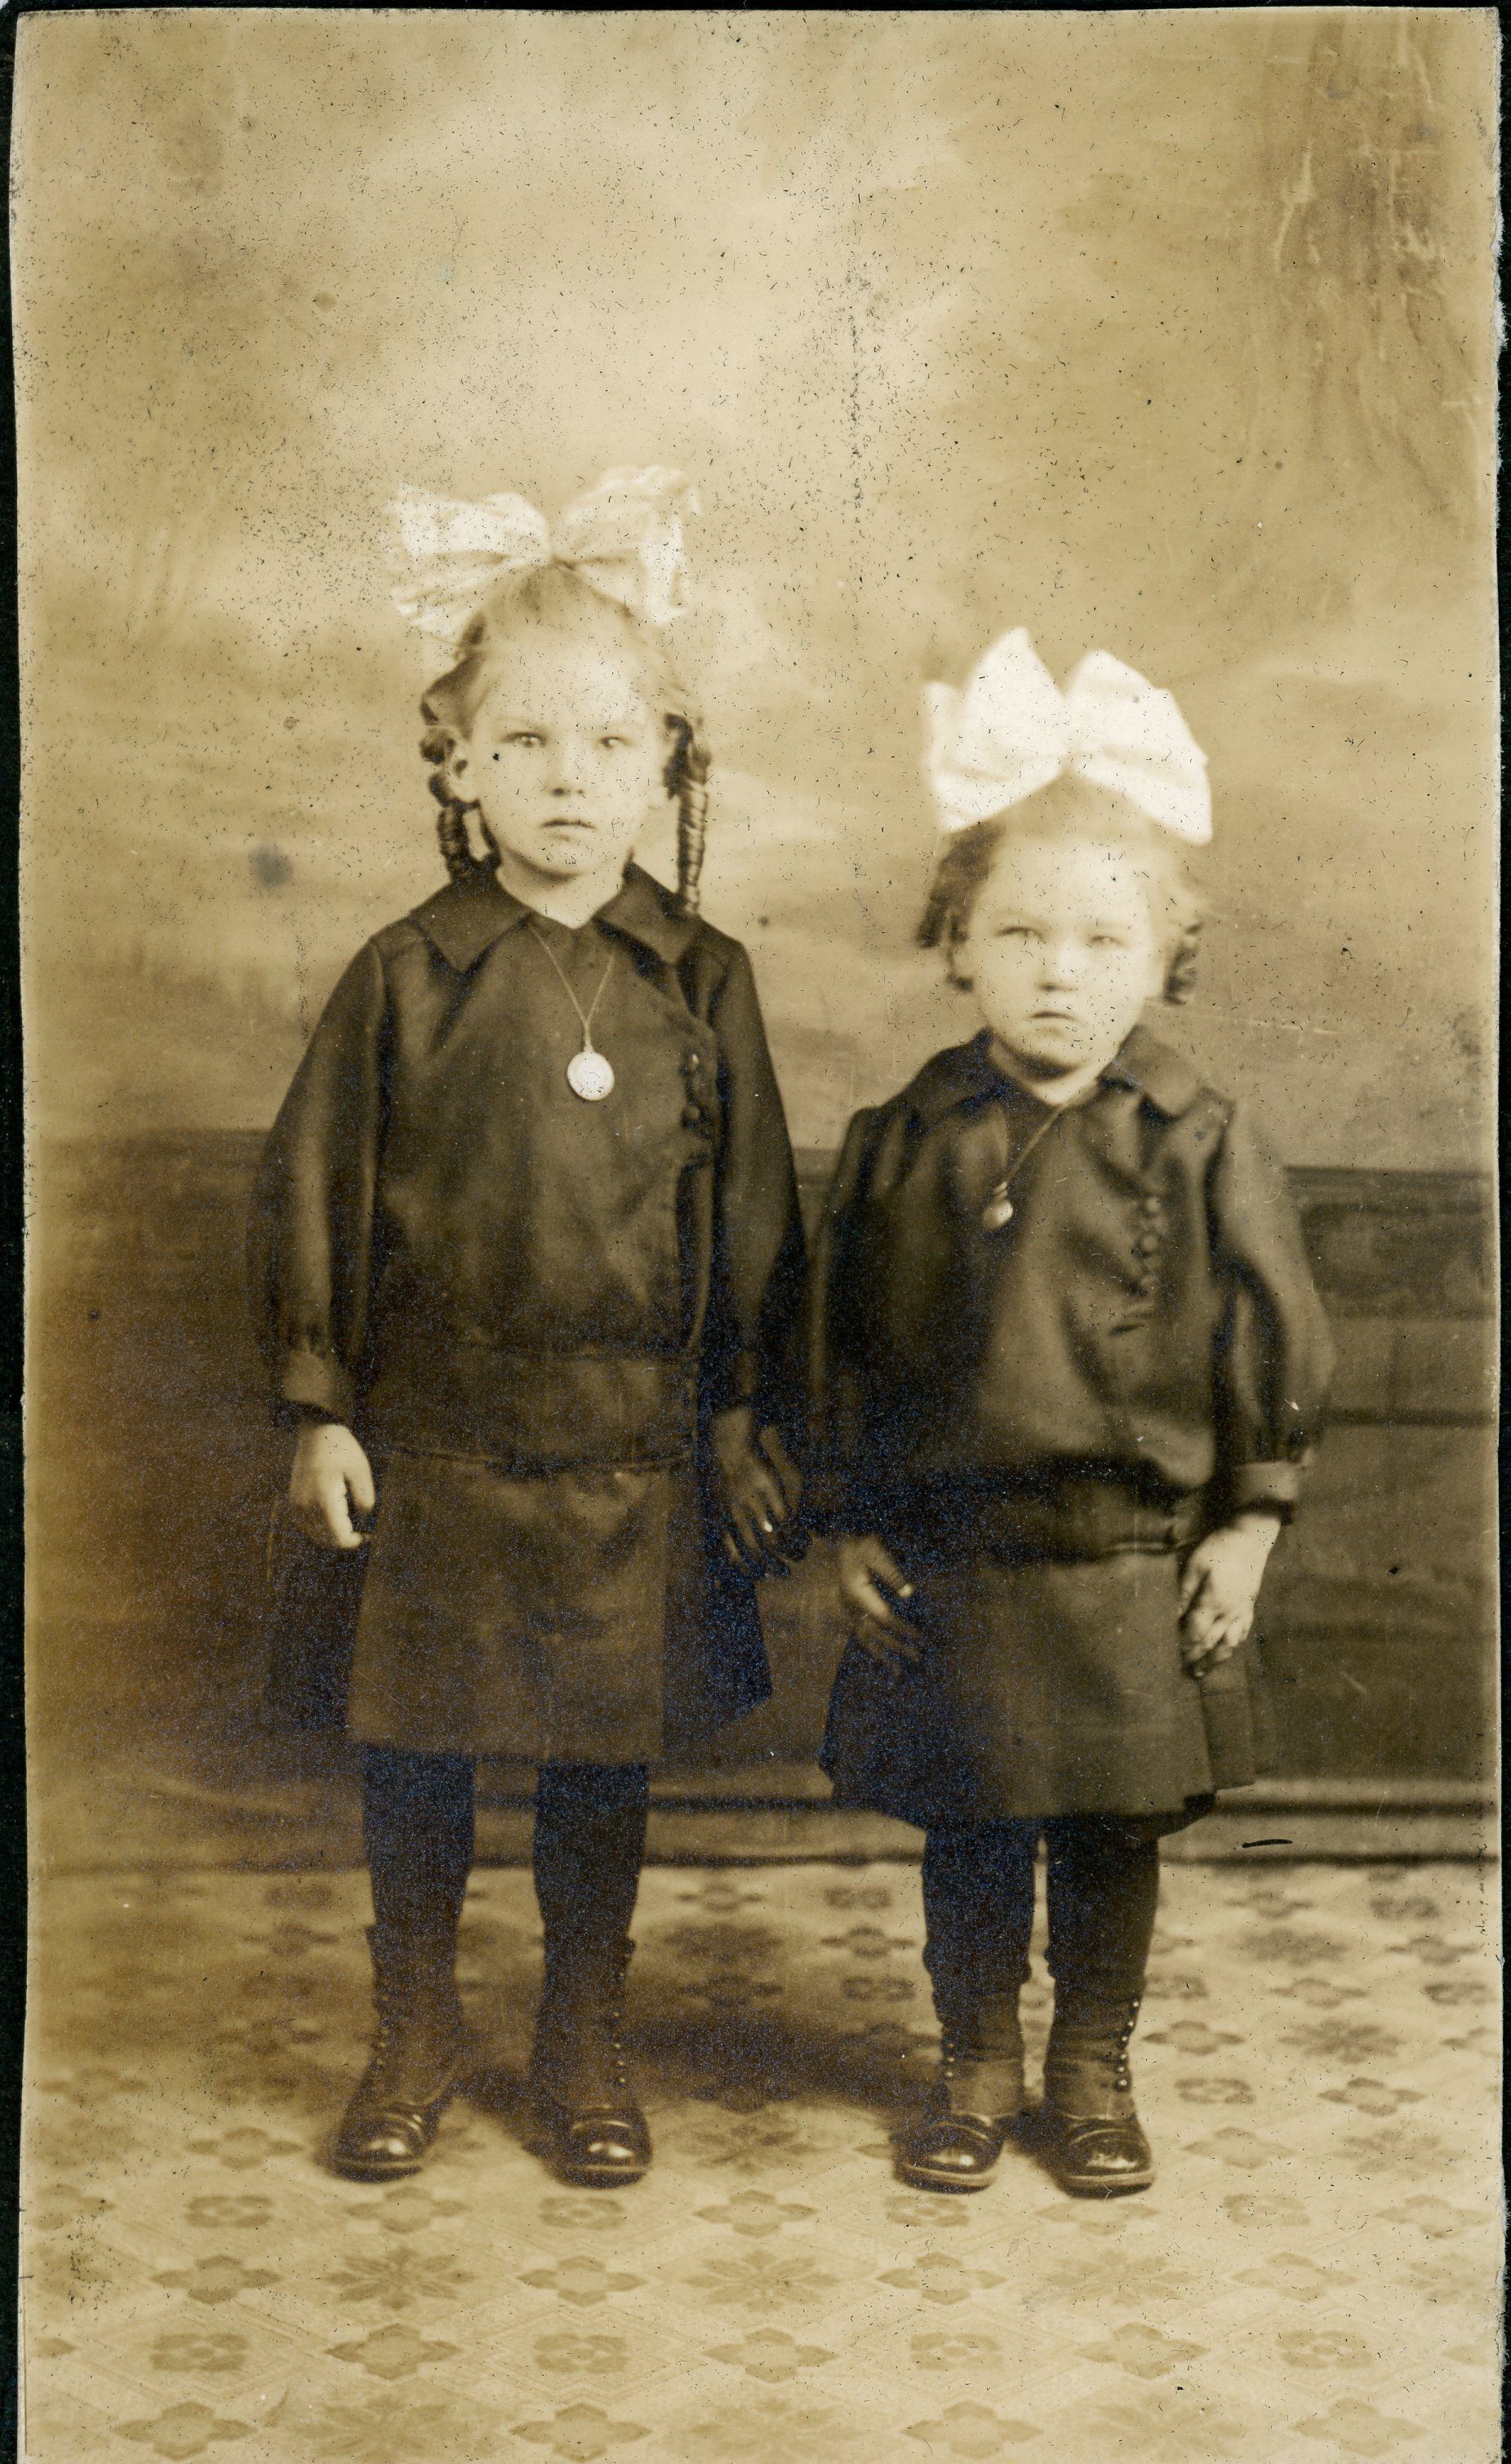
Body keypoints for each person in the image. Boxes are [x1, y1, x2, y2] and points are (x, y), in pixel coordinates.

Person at [249, 471, 803, 2190]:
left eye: (609, 744)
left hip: (629, 1450)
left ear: (665, 763)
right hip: (438, 1439)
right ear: (460, 768)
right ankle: (413, 2025)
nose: (570, 781)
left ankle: (582, 2034)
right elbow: (315, 1191)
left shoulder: (699, 978)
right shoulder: (407, 975)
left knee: (597, 1759)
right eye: (528, 745)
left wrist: (736, 1417)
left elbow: (753, 1220)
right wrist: (320, 1406)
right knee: (414, 1745)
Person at [807, 628, 1332, 2196]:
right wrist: (848, 1527)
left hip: (1128, 1561)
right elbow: (843, 1346)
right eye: (1021, 933)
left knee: (1113, 1837)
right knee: (972, 1834)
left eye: (1105, 939)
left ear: (1165, 959)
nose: (1060, 970)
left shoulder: (1198, 1137)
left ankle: (1093, 2065)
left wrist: (1247, 1529)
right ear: (957, 946)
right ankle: (974, 2059)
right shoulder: (908, 1137)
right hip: (958, 1561)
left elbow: (1273, 1338)